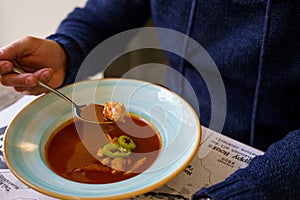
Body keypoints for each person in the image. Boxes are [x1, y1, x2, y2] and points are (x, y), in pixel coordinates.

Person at [0, 0, 299, 199]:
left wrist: (249, 189)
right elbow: (105, 11)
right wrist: (66, 50)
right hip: (173, 124)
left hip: (280, 164)